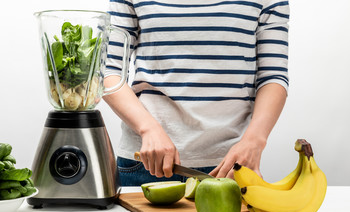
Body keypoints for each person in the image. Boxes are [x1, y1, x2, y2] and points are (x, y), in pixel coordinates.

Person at [103, 0, 290, 186]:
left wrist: (254, 142)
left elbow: (272, 76)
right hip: (147, 162)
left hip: (230, 165)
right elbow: (106, 70)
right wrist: (148, 129)